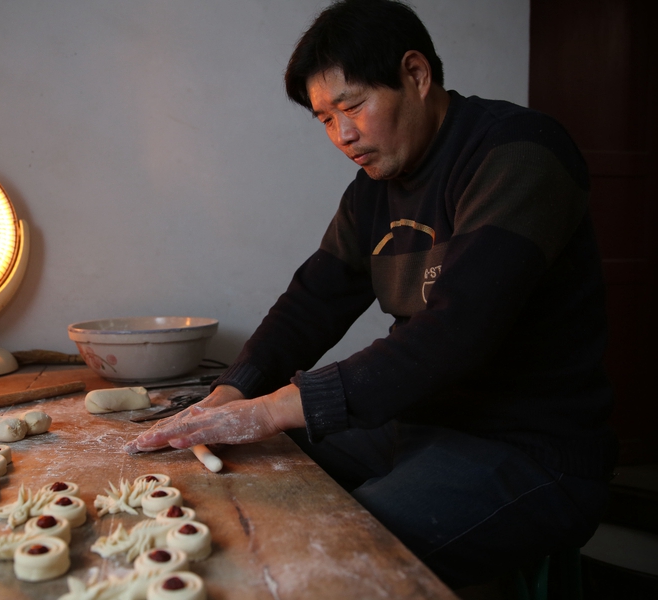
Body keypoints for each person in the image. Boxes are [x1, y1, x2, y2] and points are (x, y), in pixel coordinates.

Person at [125, 0, 616, 588]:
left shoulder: (519, 151)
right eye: (324, 119)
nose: (344, 135)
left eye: (352, 106)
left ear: (416, 74)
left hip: (529, 448)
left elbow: (456, 333)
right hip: (417, 423)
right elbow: (311, 302)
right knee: (249, 471)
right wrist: (231, 394)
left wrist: (273, 409)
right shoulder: (373, 191)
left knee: (334, 552)